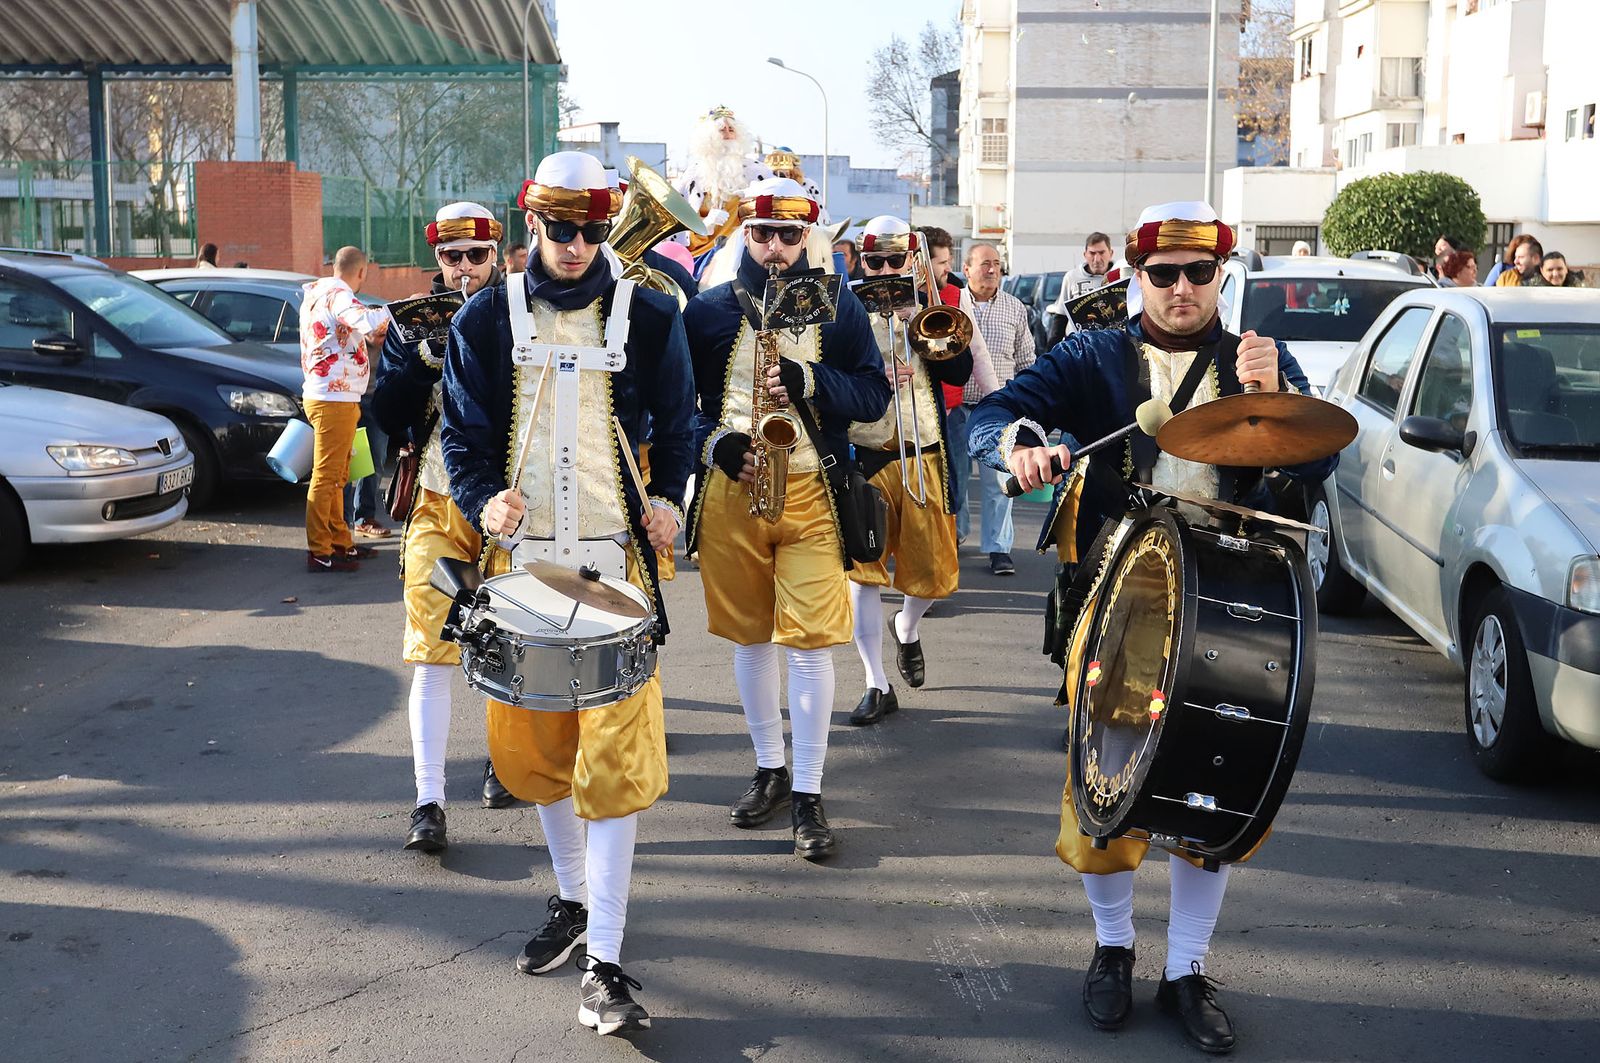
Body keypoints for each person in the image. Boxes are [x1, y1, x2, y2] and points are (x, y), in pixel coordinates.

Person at [969, 201, 1336, 1056]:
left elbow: (1320, 455)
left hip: (1233, 599)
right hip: (1121, 592)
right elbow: (996, 412)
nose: (1180, 288)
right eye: (1163, 273)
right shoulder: (1094, 353)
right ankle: (1113, 947)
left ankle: (1186, 968)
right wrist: (1020, 444)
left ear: (1221, 275)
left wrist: (1274, 395)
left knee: (1217, 777)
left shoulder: (1258, 356)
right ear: (1137, 276)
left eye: (1198, 273)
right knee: (1107, 782)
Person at [441, 152, 695, 1036]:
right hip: (521, 574)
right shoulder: (481, 318)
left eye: (592, 229)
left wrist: (670, 501)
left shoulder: (652, 313)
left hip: (616, 571)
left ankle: (605, 964)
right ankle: (575, 897)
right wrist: (484, 499)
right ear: (533, 222)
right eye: (562, 229)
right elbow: (462, 438)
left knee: (614, 770)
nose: (579, 244)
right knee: (538, 757)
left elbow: (682, 423)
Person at [682, 177, 890, 860]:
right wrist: (716, 444)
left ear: (808, 237)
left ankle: (808, 791)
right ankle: (769, 767)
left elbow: (873, 393)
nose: (775, 247)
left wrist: (812, 382)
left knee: (810, 644)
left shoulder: (840, 305)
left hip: (810, 491)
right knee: (749, 639)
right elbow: (674, 407)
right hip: (733, 494)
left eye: (789, 235)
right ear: (746, 234)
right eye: (764, 233)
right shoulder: (708, 310)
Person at [373, 202, 514, 854]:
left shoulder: (520, 312)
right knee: (430, 649)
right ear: (438, 258)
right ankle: (428, 800)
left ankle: (505, 760)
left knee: (508, 643)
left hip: (510, 506)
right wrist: (417, 365)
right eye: (452, 256)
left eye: (475, 255)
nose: (464, 268)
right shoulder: (412, 323)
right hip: (436, 500)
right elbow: (385, 415)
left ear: (496, 255)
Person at [844, 216, 973, 726]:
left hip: (924, 451)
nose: (884, 271)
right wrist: (872, 376)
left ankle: (907, 626)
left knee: (933, 576)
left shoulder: (928, 305)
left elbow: (959, 372)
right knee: (863, 575)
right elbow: (828, 377)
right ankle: (875, 681)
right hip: (866, 452)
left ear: (911, 261)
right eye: (875, 262)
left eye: (895, 261)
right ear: (862, 262)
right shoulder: (845, 308)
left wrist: (922, 323)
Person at [299, 246, 390, 572]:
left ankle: (340, 543)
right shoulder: (339, 295)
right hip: (333, 399)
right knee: (327, 477)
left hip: (333, 397)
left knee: (338, 477)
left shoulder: (318, 292)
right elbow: (364, 319)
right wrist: (399, 311)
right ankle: (319, 550)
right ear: (361, 272)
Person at [960, 240, 1035, 575]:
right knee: (956, 480)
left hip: (999, 410)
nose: (992, 270)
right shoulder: (953, 304)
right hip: (957, 407)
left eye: (997, 264)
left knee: (999, 482)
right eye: (985, 263)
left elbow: (1026, 359)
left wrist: (1028, 404)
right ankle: (956, 535)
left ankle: (999, 548)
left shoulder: (1014, 307)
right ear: (966, 269)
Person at [674, 105, 768, 261]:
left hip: (745, 254)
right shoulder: (693, 175)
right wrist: (705, 225)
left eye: (731, 130)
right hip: (701, 256)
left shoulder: (758, 173)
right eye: (722, 130)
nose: (728, 135)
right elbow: (676, 230)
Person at [1045, 232, 1116, 347]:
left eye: (1102, 253)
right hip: (1079, 345)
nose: (1097, 259)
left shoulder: (1120, 276)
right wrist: (1051, 350)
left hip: (1111, 344)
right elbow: (1061, 316)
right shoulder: (1072, 277)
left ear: (1111, 253)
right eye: (1092, 253)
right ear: (1085, 255)